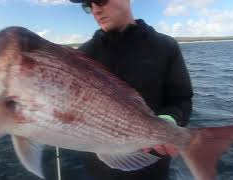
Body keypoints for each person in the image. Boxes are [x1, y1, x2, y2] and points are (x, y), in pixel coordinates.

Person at [47, 0, 193, 180]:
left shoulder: (166, 46)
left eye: (100, 0)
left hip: (153, 168)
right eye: (88, 5)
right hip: (99, 171)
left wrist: (170, 118)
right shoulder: (82, 56)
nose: (95, 10)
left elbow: (181, 98)